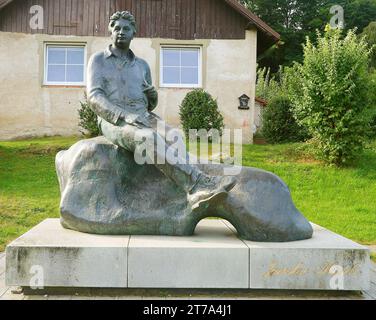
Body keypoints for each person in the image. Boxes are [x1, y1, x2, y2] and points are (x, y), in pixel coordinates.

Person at [87, 11, 236, 209]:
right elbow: (94, 97)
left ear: (134, 33)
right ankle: (196, 185)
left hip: (143, 115)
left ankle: (183, 192)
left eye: (126, 29)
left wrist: (152, 95)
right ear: (110, 32)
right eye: (116, 28)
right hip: (114, 119)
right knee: (147, 138)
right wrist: (123, 115)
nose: (121, 32)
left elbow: (150, 104)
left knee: (174, 136)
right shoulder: (98, 61)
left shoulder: (141, 65)